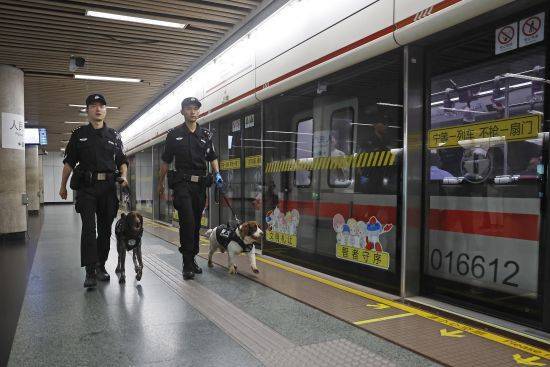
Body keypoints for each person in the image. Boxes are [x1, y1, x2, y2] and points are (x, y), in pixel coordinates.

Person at [59, 94, 128, 288]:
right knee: (89, 229)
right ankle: (90, 270)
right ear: (87, 110)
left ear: (106, 110)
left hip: (108, 188)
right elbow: (69, 163)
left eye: (102, 106)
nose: (98, 109)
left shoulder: (114, 136)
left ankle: (100, 265)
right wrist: (63, 186)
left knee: (105, 230)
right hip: (87, 188)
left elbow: (122, 160)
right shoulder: (79, 134)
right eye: (93, 106)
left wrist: (123, 176)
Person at [157, 97, 223, 280]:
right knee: (187, 221)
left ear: (199, 112)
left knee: (195, 224)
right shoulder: (174, 135)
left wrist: (217, 173)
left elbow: (212, 156)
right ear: (182, 112)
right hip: (182, 184)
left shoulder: (206, 135)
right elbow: (166, 161)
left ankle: (192, 257)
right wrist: (160, 183)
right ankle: (187, 262)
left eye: (196, 108)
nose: (193, 111)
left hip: (200, 185)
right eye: (188, 108)